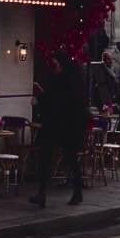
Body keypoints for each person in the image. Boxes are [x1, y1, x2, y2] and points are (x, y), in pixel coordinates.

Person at [31, 51, 88, 206]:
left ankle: (77, 191)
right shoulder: (55, 79)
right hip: (52, 125)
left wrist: (42, 95)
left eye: (55, 64)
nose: (53, 66)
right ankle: (41, 193)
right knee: (45, 158)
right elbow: (50, 103)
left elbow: (59, 104)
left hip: (66, 126)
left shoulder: (69, 83)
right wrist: (41, 95)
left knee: (70, 159)